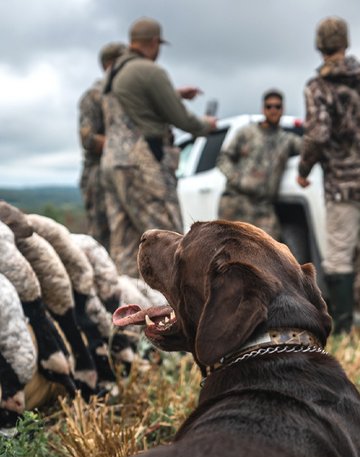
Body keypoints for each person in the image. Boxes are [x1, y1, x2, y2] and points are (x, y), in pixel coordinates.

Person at [101, 17, 216, 277]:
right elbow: (182, 119)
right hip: (143, 164)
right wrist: (207, 124)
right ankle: (179, 312)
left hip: (112, 164)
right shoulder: (150, 71)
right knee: (169, 242)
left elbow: (135, 102)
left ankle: (131, 310)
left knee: (126, 244)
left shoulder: (114, 72)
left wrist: (173, 93)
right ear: (154, 42)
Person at [297, 17, 360, 334]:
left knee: (339, 255)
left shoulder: (318, 87)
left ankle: (346, 330)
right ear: (346, 43)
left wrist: (304, 169)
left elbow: (318, 135)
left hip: (342, 185)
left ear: (320, 46)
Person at [217, 89, 302, 240]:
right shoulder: (246, 133)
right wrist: (238, 179)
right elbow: (223, 159)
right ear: (263, 109)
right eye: (269, 107)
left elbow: (308, 149)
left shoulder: (286, 140)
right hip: (237, 201)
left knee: (271, 249)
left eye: (277, 107)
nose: (273, 110)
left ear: (282, 109)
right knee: (230, 248)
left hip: (263, 206)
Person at [78, 42, 126, 251]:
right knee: (102, 239)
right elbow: (88, 139)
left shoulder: (125, 95)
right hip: (98, 176)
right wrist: (124, 145)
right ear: (110, 64)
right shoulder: (93, 96)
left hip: (124, 172)